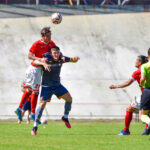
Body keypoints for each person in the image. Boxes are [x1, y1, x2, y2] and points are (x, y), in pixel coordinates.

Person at [31, 46, 79, 135]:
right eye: (54, 53)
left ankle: (65, 117)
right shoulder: (46, 58)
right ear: (51, 53)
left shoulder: (62, 58)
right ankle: (35, 126)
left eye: (57, 53)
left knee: (69, 99)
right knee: (42, 104)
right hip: (46, 86)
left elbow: (72, 60)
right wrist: (43, 64)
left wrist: (75, 59)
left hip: (57, 85)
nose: (56, 55)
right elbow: (34, 61)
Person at [15, 27, 57, 122]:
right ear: (43, 36)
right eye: (48, 36)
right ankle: (32, 113)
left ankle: (20, 109)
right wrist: (40, 59)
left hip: (38, 70)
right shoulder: (37, 44)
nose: (50, 37)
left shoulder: (51, 43)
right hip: (34, 69)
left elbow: (55, 52)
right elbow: (29, 56)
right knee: (34, 92)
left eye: (50, 35)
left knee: (31, 91)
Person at [109, 55, 148, 135]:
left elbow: (128, 83)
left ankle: (126, 130)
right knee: (147, 113)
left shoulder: (138, 72)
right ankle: (146, 130)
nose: (135, 62)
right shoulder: (148, 68)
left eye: (136, 60)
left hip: (146, 95)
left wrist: (116, 86)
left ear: (140, 62)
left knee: (129, 109)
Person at [140, 49, 150, 135]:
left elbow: (143, 79)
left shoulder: (145, 66)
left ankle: (149, 123)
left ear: (148, 55)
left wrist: (141, 85)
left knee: (143, 114)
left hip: (148, 91)